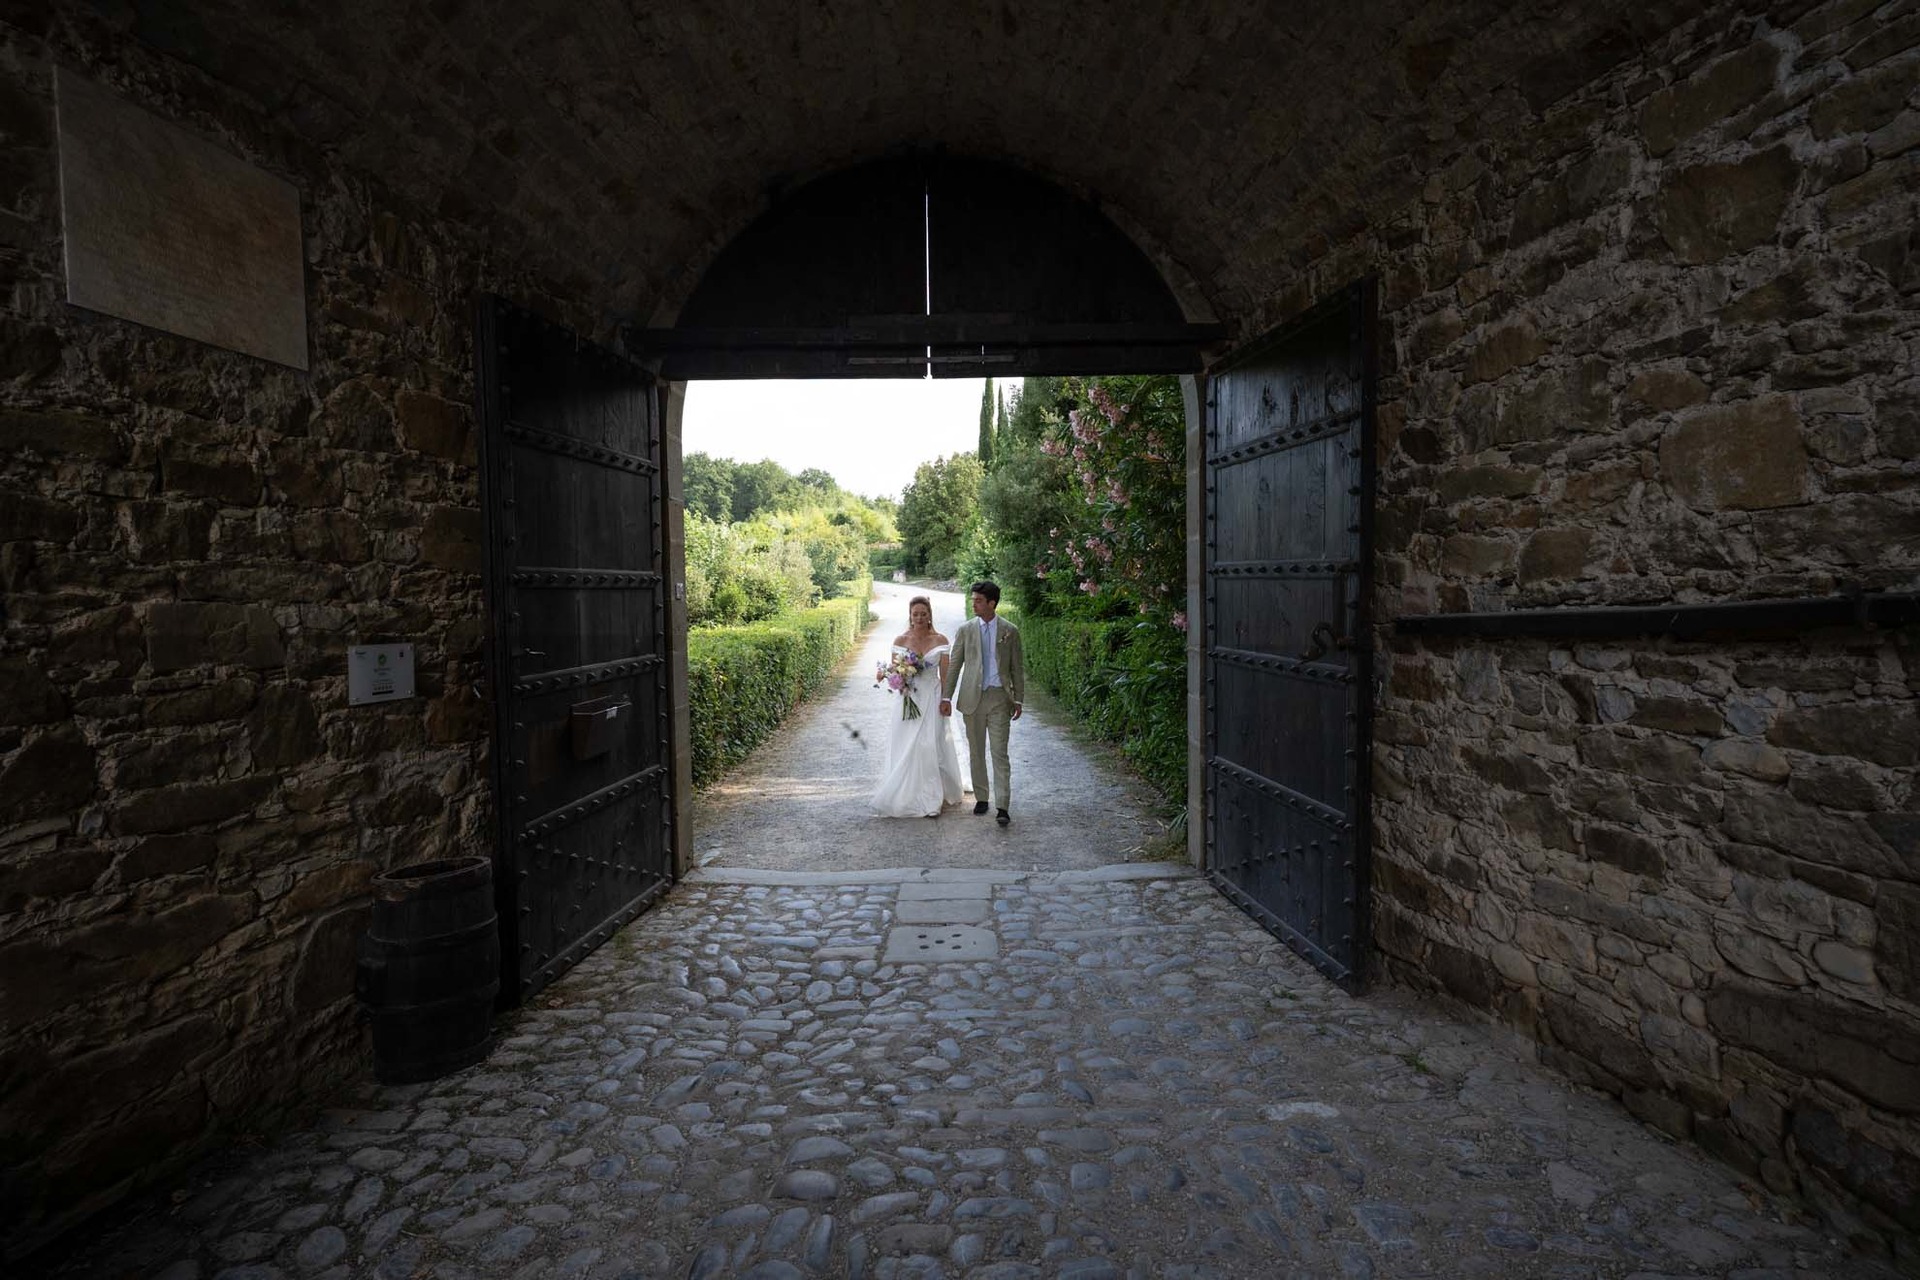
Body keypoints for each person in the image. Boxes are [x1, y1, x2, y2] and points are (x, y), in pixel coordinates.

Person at [869, 595, 964, 818]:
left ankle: (931, 796)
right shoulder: (901, 640)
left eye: (923, 613)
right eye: (915, 614)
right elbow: (894, 670)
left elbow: (946, 674)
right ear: (910, 616)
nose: (919, 618)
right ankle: (907, 792)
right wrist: (890, 676)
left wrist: (946, 699)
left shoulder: (940, 640)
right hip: (908, 699)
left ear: (930, 615)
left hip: (932, 696)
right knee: (907, 744)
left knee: (930, 744)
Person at [940, 580, 1024, 826]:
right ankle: (982, 798)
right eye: (973, 599)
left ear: (992, 603)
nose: (973, 604)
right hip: (971, 699)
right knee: (976, 751)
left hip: (1000, 698)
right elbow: (955, 665)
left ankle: (1003, 806)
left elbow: (1017, 668)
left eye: (978, 600)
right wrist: (947, 696)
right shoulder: (966, 630)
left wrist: (1018, 698)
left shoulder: (1010, 630)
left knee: (1000, 752)